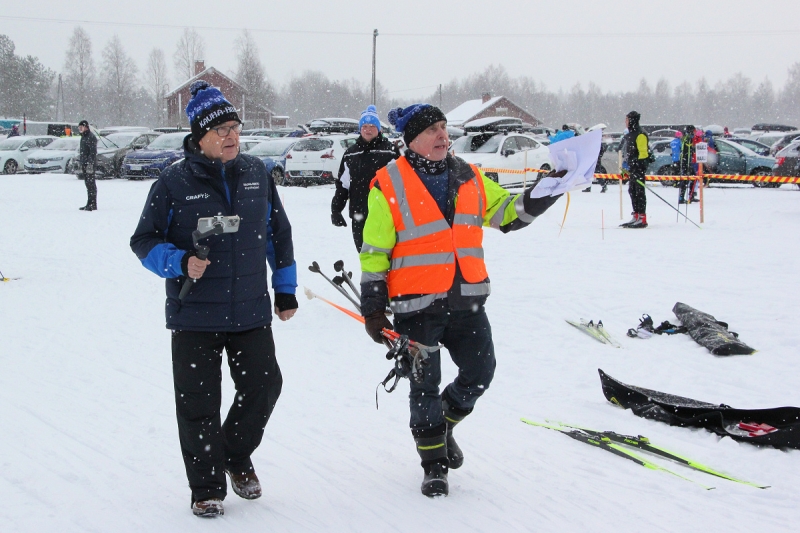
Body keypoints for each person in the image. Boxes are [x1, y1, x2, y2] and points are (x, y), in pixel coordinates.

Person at [359, 104, 563, 498]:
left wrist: (543, 194)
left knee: (480, 371)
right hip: (415, 306)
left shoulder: (467, 174)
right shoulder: (388, 183)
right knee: (424, 388)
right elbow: (374, 251)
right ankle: (433, 464)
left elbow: (507, 213)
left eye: (443, 127)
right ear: (412, 139)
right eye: (432, 129)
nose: (442, 135)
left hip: (466, 297)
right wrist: (372, 306)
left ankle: (445, 422)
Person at [130, 80, 298, 518]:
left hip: (250, 310)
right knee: (198, 404)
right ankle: (206, 487)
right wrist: (180, 261)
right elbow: (143, 240)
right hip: (194, 316)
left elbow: (278, 234)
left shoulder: (257, 174)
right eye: (220, 129)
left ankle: (235, 456)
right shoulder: (173, 182)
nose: (230, 136)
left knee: (264, 386)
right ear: (199, 135)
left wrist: (285, 289)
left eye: (234, 127)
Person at [331, 105, 400, 251]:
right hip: (359, 214)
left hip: (385, 214)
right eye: (365, 126)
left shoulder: (390, 151)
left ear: (379, 129)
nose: (368, 129)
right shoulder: (351, 153)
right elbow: (343, 185)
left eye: (372, 126)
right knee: (364, 254)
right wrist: (336, 210)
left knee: (385, 257)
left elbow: (402, 184)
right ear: (360, 129)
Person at [619, 111, 650, 228]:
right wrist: (626, 168)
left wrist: (638, 168)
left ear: (632, 120)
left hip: (639, 169)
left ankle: (642, 218)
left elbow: (643, 153)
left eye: (627, 120)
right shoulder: (629, 134)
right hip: (632, 168)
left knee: (639, 192)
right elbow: (628, 154)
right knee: (632, 191)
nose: (625, 122)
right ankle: (636, 215)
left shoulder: (640, 134)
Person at [77, 120, 98, 211]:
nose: (80, 129)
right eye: (79, 127)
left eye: (81, 127)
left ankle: (93, 204)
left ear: (86, 127)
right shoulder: (83, 137)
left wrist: (90, 163)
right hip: (84, 163)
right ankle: (89, 203)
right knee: (87, 184)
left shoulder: (91, 137)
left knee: (91, 184)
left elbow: (92, 152)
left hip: (90, 164)